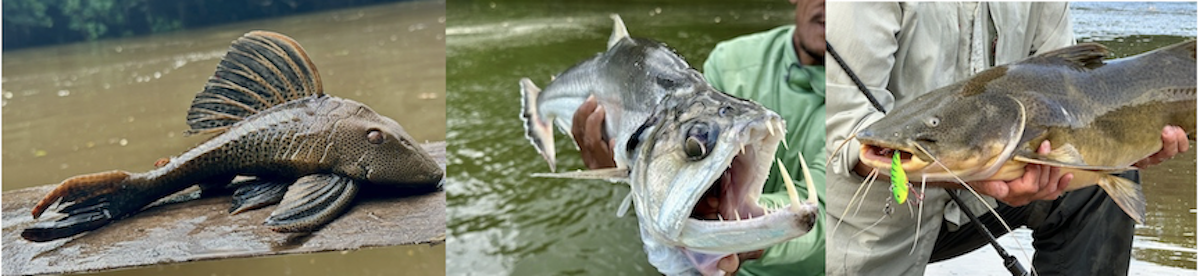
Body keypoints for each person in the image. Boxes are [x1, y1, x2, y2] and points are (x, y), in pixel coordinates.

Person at [824, 2, 1190, 275]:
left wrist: (1127, 142)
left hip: (985, 191)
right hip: (871, 225)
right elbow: (842, 135)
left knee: (1101, 181)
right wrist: (974, 174)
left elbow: (1069, 91)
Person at [572, 0, 827, 274]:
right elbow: (672, 158)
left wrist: (735, 229)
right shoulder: (730, 59)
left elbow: (828, 209)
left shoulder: (870, 100)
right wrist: (624, 171)